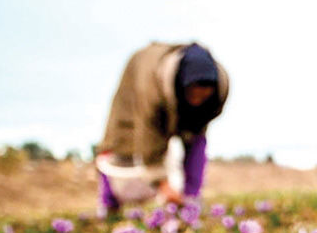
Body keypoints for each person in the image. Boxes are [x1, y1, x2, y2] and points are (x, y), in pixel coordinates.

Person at [96, 42, 229, 214]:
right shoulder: (150, 87)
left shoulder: (218, 91)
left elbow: (196, 140)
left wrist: (190, 191)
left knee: (195, 137)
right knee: (121, 140)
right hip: (140, 79)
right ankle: (109, 203)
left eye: (203, 95)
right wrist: (163, 184)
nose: (197, 100)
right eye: (193, 94)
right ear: (183, 85)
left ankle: (192, 199)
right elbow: (150, 135)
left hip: (173, 92)